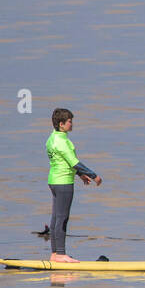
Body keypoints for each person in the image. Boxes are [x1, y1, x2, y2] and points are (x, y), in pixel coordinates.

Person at [45, 108, 102, 263]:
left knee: (56, 217)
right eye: (69, 121)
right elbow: (74, 162)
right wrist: (93, 175)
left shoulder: (52, 138)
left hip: (54, 181)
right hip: (64, 183)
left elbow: (63, 161)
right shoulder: (63, 142)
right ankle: (61, 254)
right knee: (62, 218)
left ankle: (55, 254)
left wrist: (79, 175)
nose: (72, 124)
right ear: (61, 124)